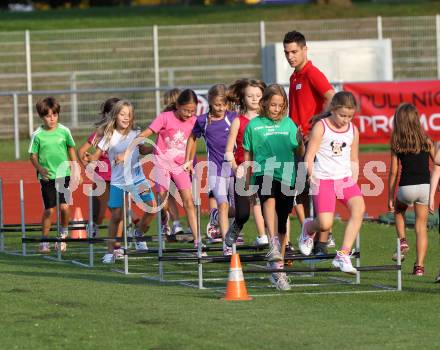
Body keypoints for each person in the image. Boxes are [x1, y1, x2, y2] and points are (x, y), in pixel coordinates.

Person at [242, 84, 304, 291]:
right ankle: (273, 243)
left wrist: (301, 141)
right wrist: (249, 185)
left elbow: (299, 150)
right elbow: (248, 156)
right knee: (267, 199)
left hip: (286, 173)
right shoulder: (254, 125)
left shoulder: (289, 124)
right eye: (273, 105)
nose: (276, 109)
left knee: (283, 220)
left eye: (280, 105)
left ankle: (278, 270)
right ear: (265, 103)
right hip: (264, 171)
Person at [299, 91, 364, 274]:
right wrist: (311, 175)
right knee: (325, 224)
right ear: (333, 110)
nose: (346, 120)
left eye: (350, 116)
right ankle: (308, 227)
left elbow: (353, 158)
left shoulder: (353, 130)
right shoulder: (321, 127)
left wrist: (354, 177)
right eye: (342, 115)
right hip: (323, 179)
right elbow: (309, 155)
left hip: (343, 179)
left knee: (358, 209)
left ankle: (343, 255)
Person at [86, 100, 156, 264]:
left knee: (152, 207)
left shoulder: (136, 133)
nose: (126, 117)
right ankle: (110, 252)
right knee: (117, 216)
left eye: (129, 115)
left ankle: (138, 234)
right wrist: (89, 159)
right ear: (116, 115)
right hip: (118, 182)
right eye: (122, 114)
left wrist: (156, 147)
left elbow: (143, 149)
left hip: (138, 179)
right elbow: (95, 156)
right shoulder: (109, 136)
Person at [283, 30, 336, 249]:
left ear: (305, 49)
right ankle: (309, 231)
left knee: (317, 189)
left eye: (294, 51)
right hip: (296, 144)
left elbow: (332, 97)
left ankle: (324, 237)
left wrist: (317, 123)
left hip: (311, 145)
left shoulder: (312, 73)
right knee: (299, 191)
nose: (290, 56)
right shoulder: (294, 76)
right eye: (287, 52)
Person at [136, 89, 199, 247]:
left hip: (180, 165)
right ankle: (144, 230)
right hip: (162, 163)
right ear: (177, 105)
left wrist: (189, 160)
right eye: (186, 110)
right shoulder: (165, 118)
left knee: (188, 201)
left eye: (192, 111)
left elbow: (194, 140)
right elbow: (147, 133)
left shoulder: (194, 121)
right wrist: (131, 144)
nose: (188, 114)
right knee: (162, 201)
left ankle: (198, 241)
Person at [185, 84, 237, 256]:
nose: (220, 108)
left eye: (223, 105)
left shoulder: (233, 118)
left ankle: (214, 216)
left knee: (236, 210)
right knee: (223, 204)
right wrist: (188, 160)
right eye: (216, 105)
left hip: (234, 169)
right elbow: (192, 138)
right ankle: (227, 245)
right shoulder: (203, 121)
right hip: (215, 170)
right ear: (210, 103)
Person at [28, 97, 81, 254]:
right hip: (47, 177)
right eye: (48, 116)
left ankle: (62, 235)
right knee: (50, 210)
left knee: (65, 208)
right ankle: (45, 240)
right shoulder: (37, 135)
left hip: (63, 174)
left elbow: (71, 149)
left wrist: (76, 168)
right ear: (41, 116)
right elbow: (32, 155)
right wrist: (40, 169)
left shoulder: (64, 131)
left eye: (54, 115)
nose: (52, 118)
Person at [389, 104, 433, 276]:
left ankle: (402, 241)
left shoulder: (396, 142)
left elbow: (393, 172)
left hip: (406, 187)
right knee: (421, 227)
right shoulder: (427, 140)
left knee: (399, 210)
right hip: (425, 187)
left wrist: (390, 197)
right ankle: (419, 267)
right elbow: (437, 161)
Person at [224, 78, 268, 247]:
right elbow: (229, 150)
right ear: (243, 98)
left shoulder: (268, 121)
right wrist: (235, 168)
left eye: (258, 95)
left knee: (270, 208)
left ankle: (275, 242)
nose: (255, 99)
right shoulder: (238, 121)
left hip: (265, 171)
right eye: (250, 96)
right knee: (243, 213)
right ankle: (236, 226)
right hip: (243, 170)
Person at [77, 97, 120, 238]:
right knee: (103, 212)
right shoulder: (99, 134)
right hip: (101, 177)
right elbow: (81, 152)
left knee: (120, 209)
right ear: (107, 114)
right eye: (114, 113)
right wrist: (86, 167)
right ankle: (94, 225)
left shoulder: (123, 135)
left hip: (118, 176)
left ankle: (133, 235)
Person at [159, 88, 189, 239]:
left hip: (172, 160)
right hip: (179, 159)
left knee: (168, 194)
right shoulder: (167, 117)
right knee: (187, 196)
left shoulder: (168, 116)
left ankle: (175, 223)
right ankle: (183, 224)